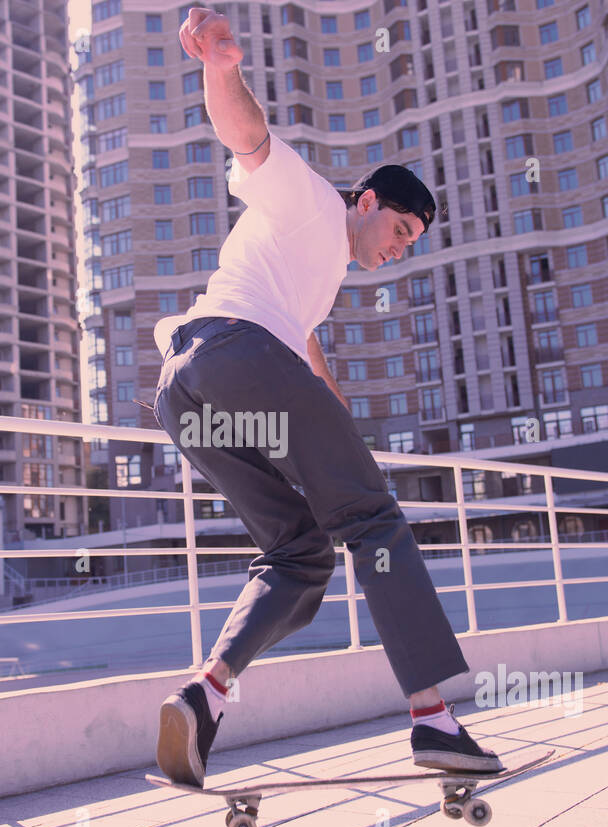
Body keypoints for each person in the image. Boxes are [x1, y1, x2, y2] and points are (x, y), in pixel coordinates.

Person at [152, 7, 502, 787]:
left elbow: (310, 366)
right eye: (401, 229)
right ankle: (434, 720)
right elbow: (247, 138)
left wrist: (345, 447)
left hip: (188, 391)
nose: (398, 248)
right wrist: (219, 64)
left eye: (411, 244)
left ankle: (203, 699)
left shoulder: (317, 278)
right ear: (368, 200)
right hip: (235, 353)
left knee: (300, 554)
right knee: (373, 521)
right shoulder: (311, 201)